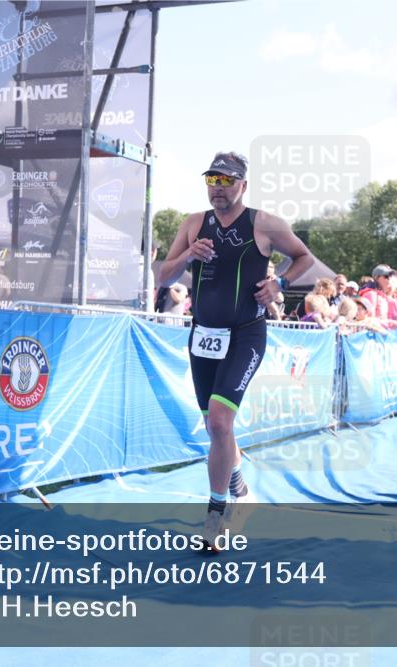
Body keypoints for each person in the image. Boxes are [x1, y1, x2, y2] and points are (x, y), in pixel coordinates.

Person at [158, 151, 313, 550]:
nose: (217, 188)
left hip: (245, 334)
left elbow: (304, 257)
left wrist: (278, 282)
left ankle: (217, 515)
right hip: (204, 335)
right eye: (212, 179)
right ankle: (242, 491)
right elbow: (163, 275)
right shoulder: (194, 224)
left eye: (226, 181)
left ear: (243, 184)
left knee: (222, 423)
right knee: (215, 426)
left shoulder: (264, 224)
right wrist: (188, 255)